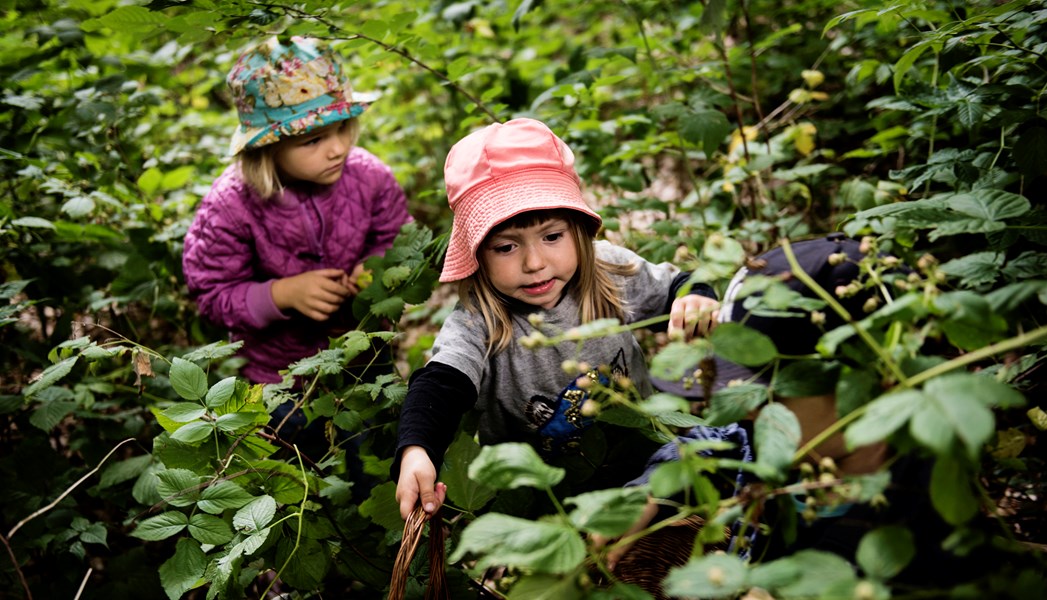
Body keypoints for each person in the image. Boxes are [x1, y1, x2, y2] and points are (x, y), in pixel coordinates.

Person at [392, 117, 720, 520]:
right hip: (548, 508)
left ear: (578, 230)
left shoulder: (607, 273)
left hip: (646, 470)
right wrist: (416, 450)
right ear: (477, 255)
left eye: (552, 237)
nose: (534, 263)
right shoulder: (481, 322)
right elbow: (442, 384)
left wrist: (695, 298)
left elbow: (678, 287)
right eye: (506, 247)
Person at [183, 36, 412, 386]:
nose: (337, 148)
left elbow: (398, 238)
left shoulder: (369, 177)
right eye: (313, 140)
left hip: (363, 359)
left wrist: (376, 269)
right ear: (268, 147)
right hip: (275, 375)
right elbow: (213, 293)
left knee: (371, 435)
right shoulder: (231, 206)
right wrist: (281, 294)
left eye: (341, 129)